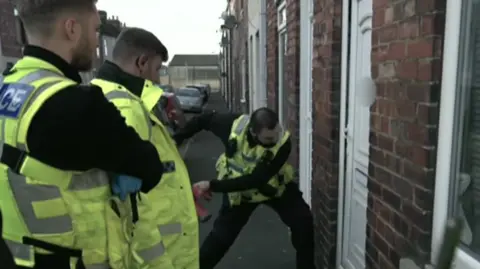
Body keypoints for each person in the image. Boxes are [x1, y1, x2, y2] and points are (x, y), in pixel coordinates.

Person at [0, 1, 166, 268]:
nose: (96, 40)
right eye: (96, 29)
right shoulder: (79, 104)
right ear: (72, 29)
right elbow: (150, 167)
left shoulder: (7, 88)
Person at [90, 27, 199, 269]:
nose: (158, 79)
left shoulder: (99, 94)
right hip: (158, 253)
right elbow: (132, 206)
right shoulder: (126, 107)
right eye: (157, 69)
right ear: (142, 63)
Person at [174, 108, 315, 269]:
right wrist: (176, 139)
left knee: (303, 222)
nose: (275, 140)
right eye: (269, 138)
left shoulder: (283, 144)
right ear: (254, 133)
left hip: (274, 188)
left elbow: (256, 179)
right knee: (220, 239)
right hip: (240, 195)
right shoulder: (230, 125)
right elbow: (202, 120)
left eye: (277, 133)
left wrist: (212, 185)